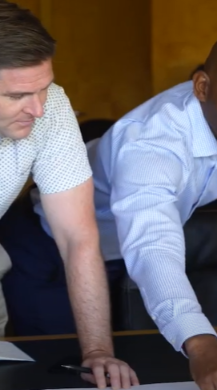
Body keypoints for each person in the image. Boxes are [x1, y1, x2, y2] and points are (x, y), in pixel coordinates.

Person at [13, 28, 217, 390]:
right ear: (202, 87)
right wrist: (202, 344)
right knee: (65, 376)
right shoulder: (149, 139)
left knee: (124, 371)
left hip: (121, 260)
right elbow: (152, 245)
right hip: (47, 250)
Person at [0, 2, 138, 389]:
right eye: (19, 95)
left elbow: (78, 236)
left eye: (44, 88)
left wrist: (97, 351)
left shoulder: (51, 108)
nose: (39, 109)